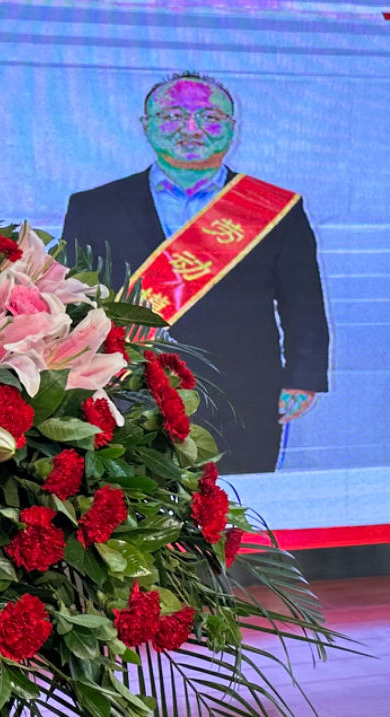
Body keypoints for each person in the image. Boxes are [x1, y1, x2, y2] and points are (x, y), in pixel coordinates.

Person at [59, 72, 329, 475]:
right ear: (146, 126)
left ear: (232, 128)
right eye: (172, 116)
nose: (190, 129)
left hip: (244, 393)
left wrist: (303, 376)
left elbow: (302, 301)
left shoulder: (275, 209)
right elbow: (75, 298)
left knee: (239, 501)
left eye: (209, 117)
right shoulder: (94, 207)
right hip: (131, 389)